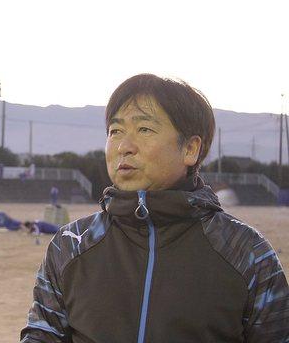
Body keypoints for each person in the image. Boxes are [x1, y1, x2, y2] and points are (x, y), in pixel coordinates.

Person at [21, 74, 289, 342]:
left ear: (190, 149)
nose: (124, 147)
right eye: (115, 131)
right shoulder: (71, 245)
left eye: (144, 129)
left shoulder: (246, 252)